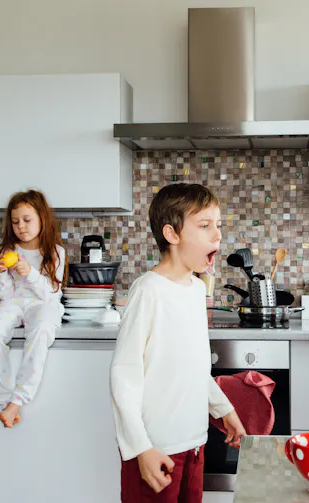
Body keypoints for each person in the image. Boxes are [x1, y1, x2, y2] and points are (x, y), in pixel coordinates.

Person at [110, 183, 246, 503]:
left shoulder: (197, 290)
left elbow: (195, 364)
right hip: (155, 449)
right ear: (172, 234)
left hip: (194, 444)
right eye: (204, 226)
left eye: (218, 226)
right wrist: (141, 447)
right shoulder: (148, 291)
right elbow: (124, 375)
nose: (217, 236)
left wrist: (222, 408)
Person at [0, 190, 66, 428]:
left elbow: (52, 294)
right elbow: (4, 294)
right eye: (16, 222)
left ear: (42, 219)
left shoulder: (56, 252)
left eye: (27, 220)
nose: (21, 227)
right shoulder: (8, 251)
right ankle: (4, 397)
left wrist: (31, 274)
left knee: (40, 332)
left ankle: (18, 400)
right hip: (14, 303)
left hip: (42, 304)